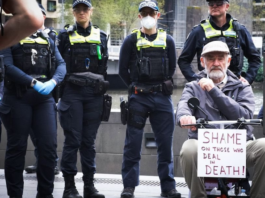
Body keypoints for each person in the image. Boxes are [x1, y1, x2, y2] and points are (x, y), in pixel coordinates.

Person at [176, 40, 265, 198]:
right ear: (203, 62)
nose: (216, 63)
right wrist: (184, 116)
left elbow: (244, 115)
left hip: (238, 147)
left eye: (220, 58)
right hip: (205, 148)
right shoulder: (192, 86)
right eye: (210, 58)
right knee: (188, 148)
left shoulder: (242, 86)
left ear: (228, 61)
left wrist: (212, 90)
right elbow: (183, 105)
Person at [0, 8, 66, 198]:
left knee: (48, 147)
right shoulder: (9, 36)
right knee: (17, 148)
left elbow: (61, 64)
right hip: (18, 97)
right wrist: (32, 82)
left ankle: (45, 194)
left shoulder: (46, 39)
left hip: (43, 99)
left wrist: (53, 82)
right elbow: (8, 67)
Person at [118, 1, 181, 198]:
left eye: (151, 13)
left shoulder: (167, 40)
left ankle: (168, 187)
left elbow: (172, 69)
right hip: (138, 97)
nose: (147, 16)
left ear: (158, 15)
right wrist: (135, 86)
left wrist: (159, 86)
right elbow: (122, 70)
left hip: (162, 98)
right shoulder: (130, 40)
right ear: (139, 16)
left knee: (165, 144)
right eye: (144, 13)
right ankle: (129, 187)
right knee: (133, 144)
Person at [57, 0, 109, 197]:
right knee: (73, 140)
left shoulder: (101, 36)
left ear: (90, 11)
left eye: (85, 9)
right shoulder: (64, 36)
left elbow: (103, 66)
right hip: (72, 92)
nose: (81, 12)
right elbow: (58, 65)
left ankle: (89, 186)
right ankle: (69, 188)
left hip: (94, 94)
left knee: (89, 142)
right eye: (78, 9)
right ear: (73, 12)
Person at [178, 0, 261, 85]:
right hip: (207, 86)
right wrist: (196, 81)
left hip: (234, 86)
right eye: (211, 4)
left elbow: (255, 59)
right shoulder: (199, 31)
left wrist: (248, 79)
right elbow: (183, 60)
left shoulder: (239, 30)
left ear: (227, 6)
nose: (214, 6)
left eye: (219, 3)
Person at [24, 3, 60, 176]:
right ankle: (41, 161)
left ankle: (51, 163)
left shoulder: (51, 36)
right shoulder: (23, 34)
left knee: (48, 134)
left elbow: (59, 63)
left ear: (44, 17)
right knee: (34, 132)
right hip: (28, 89)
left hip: (49, 88)